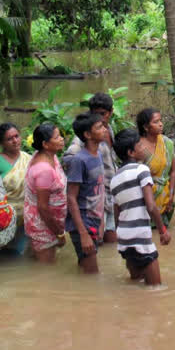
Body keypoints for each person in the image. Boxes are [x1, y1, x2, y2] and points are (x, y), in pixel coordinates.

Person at [111, 129, 172, 285]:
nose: (144, 147)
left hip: (124, 237)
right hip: (140, 235)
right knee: (155, 288)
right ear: (131, 152)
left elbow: (117, 213)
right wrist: (163, 230)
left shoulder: (115, 178)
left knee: (135, 283)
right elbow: (151, 206)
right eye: (140, 145)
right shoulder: (142, 170)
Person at [64, 93, 119, 244]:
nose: (100, 118)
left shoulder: (108, 130)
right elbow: (69, 158)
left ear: (110, 112)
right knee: (94, 246)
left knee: (111, 243)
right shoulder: (85, 138)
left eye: (102, 114)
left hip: (109, 195)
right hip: (93, 201)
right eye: (95, 114)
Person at [64, 113, 107, 273]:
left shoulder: (99, 154)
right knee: (92, 274)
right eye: (99, 127)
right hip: (83, 222)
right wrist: (83, 233)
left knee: (85, 267)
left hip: (94, 220)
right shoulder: (79, 160)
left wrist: (101, 221)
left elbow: (99, 192)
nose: (104, 129)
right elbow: (71, 197)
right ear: (88, 135)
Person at [24, 123, 68, 264]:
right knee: (46, 270)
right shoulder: (44, 169)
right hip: (44, 226)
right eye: (57, 137)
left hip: (51, 223)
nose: (62, 139)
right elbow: (43, 207)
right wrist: (59, 233)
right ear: (45, 144)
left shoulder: (50, 156)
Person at [0, 122, 32, 254]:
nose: (15, 141)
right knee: (0, 251)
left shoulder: (28, 158)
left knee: (19, 254)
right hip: (3, 218)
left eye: (17, 136)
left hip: (25, 218)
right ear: (1, 143)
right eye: (9, 139)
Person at [136, 108, 175, 227]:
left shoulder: (167, 143)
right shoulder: (139, 147)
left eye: (160, 120)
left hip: (165, 198)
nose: (160, 124)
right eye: (156, 122)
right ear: (145, 127)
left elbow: (173, 172)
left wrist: (171, 195)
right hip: (145, 198)